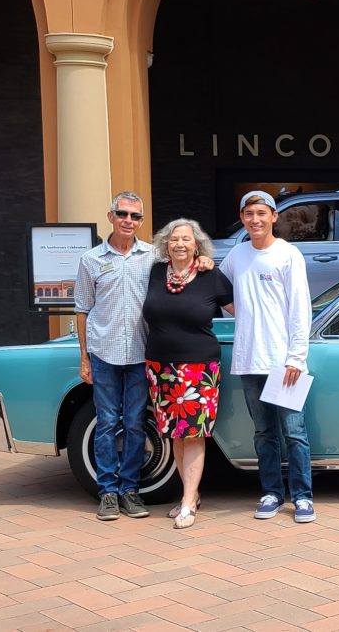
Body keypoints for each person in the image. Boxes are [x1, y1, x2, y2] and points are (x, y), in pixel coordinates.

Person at [74, 191, 213, 522]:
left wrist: (204, 261)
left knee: (136, 423)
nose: (128, 221)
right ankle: (107, 492)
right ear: (111, 216)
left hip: (141, 354)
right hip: (104, 353)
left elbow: (184, 264)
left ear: (141, 220)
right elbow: (82, 309)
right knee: (107, 423)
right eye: (122, 214)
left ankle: (129, 489)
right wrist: (84, 358)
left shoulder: (153, 257)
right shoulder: (90, 260)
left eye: (135, 216)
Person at [219, 190, 315, 523]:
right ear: (242, 218)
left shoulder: (288, 254)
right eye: (249, 214)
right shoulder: (237, 254)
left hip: (283, 361)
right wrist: (243, 312)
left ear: (274, 216)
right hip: (249, 359)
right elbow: (218, 288)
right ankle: (271, 493)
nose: (255, 220)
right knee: (263, 433)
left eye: (262, 213)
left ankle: (302, 497)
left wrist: (296, 358)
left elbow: (301, 308)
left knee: (294, 433)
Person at [142, 218, 233, 529]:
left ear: (197, 245)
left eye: (186, 239)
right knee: (175, 435)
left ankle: (188, 501)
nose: (179, 244)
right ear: (166, 244)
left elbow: (244, 310)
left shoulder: (211, 275)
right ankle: (189, 496)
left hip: (198, 368)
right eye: (174, 239)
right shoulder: (156, 272)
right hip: (160, 367)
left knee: (192, 434)